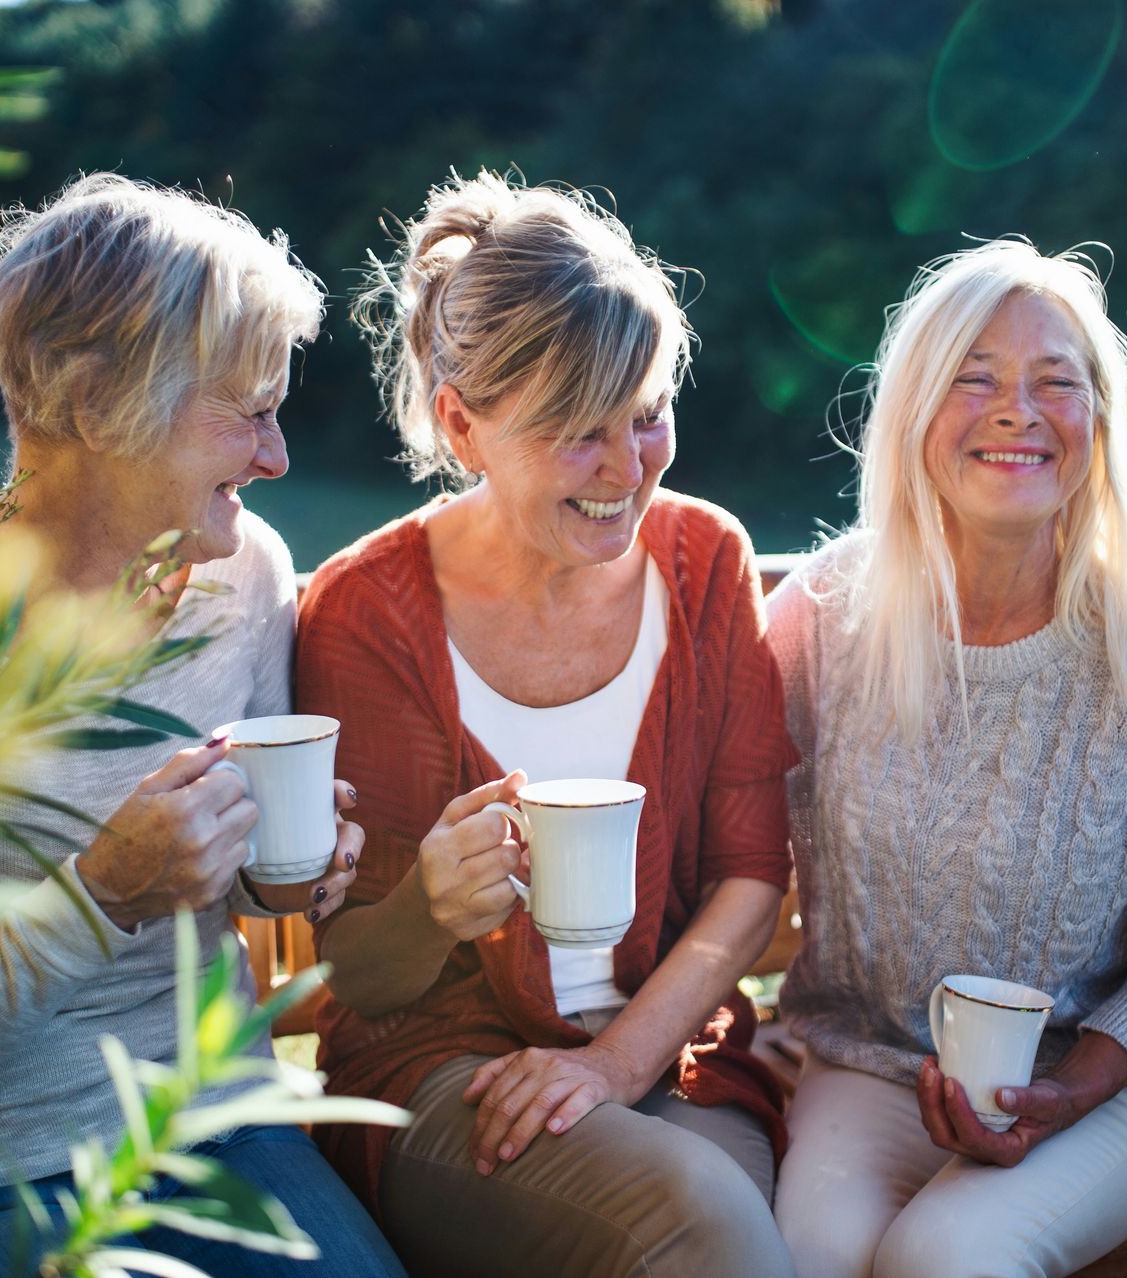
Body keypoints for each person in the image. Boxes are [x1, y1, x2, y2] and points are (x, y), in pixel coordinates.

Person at [0, 174, 404, 1277]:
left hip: (213, 1121)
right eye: (248, 412)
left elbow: (249, 893)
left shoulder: (245, 575)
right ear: (91, 405)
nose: (276, 459)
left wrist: (289, 870)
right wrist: (100, 897)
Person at [294, 171, 798, 1278]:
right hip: (439, 1077)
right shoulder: (366, 612)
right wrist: (429, 905)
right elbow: (365, 981)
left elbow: (750, 879)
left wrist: (615, 1065)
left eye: (650, 414)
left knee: (738, 1231)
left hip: (669, 1062)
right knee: (705, 1230)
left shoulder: (707, 560)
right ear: (462, 424)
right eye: (581, 433)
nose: (629, 472)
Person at [767, 239, 1127, 1278]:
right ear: (913, 410)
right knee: (803, 1259)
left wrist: (1076, 1088)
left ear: (1099, 426)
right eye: (975, 378)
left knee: (947, 1259)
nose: (1019, 409)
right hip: (869, 1063)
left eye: (1058, 382)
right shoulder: (825, 614)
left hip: (1109, 1082)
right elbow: (712, 823)